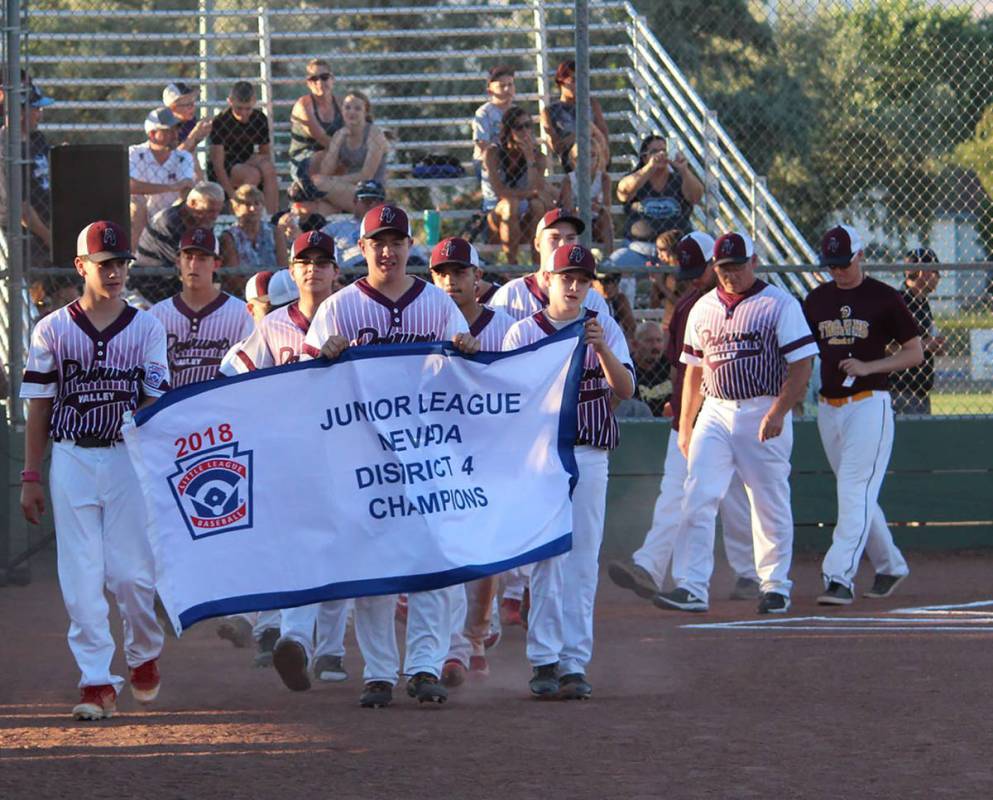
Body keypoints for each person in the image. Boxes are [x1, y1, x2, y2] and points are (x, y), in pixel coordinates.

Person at [301, 203, 481, 708]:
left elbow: (462, 378)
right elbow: (304, 379)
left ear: (409, 248)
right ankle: (379, 670)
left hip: (426, 450)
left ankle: (424, 666)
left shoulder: (436, 304)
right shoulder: (338, 307)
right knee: (373, 560)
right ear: (362, 249)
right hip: (363, 450)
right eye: (377, 242)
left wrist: (466, 353)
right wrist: (322, 355)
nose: (387, 249)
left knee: (430, 559)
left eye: (396, 241)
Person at [19, 220, 169, 719]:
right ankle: (96, 681)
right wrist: (31, 475)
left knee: (131, 576)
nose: (115, 272)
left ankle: (144, 653)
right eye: (104, 264)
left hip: (127, 455)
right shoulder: (53, 328)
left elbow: (154, 399)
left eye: (121, 263)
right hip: (72, 456)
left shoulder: (146, 326)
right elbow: (39, 405)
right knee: (81, 578)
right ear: (81, 266)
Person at [654, 231, 817, 615]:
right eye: (724, 268)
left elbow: (801, 365)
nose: (731, 275)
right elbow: (692, 371)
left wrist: (778, 411)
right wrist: (687, 424)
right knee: (697, 497)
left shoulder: (779, 303)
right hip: (715, 408)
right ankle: (692, 586)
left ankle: (775, 586)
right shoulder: (703, 307)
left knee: (768, 501)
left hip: (762, 406)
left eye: (738, 266)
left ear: (754, 262)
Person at [503, 244, 634, 700]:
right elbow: (507, 401)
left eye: (582, 279)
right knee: (546, 559)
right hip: (541, 459)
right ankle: (544, 659)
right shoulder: (523, 332)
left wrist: (602, 351)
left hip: (591, 452)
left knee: (582, 561)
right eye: (566, 277)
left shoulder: (603, 328)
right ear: (547, 281)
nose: (574, 286)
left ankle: (575, 661)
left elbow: (627, 388)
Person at [220, 231, 351, 687]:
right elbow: (232, 374)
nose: (313, 268)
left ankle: (331, 651)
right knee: (302, 546)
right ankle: (296, 639)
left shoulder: (353, 315)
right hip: (293, 454)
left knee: (343, 552)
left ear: (336, 271)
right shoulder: (274, 326)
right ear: (292, 271)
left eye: (322, 261)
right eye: (304, 261)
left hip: (347, 452)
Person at [608, 234, 761, 606]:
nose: (696, 278)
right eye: (690, 272)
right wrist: (684, 413)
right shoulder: (689, 306)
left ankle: (750, 572)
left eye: (702, 269)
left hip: (733, 414)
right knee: (677, 495)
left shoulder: (750, 303)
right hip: (696, 418)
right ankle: (652, 566)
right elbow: (683, 372)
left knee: (735, 499)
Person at [803, 225, 922, 605]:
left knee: (854, 490)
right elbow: (803, 351)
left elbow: (914, 352)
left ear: (860, 256)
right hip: (828, 408)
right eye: (832, 265)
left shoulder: (884, 298)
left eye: (844, 263)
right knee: (856, 491)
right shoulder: (817, 299)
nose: (838, 271)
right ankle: (890, 564)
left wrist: (871, 366)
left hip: (870, 404)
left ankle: (838, 576)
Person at [427, 237, 515, 686]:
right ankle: (455, 647)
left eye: (460, 272)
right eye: (442, 273)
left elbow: (520, 386)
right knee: (444, 551)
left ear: (478, 278)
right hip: (438, 452)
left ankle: (476, 634)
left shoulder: (506, 327)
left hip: (490, 453)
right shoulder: (424, 321)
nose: (450, 281)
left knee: (487, 556)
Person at [149, 227, 253, 388]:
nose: (194, 265)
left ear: (216, 264)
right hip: (171, 409)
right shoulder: (157, 315)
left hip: (221, 407)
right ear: (178, 261)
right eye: (188, 257)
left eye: (202, 259)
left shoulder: (241, 314)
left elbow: (246, 375)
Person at [489, 208, 612, 321]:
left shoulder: (593, 300)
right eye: (555, 238)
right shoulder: (510, 294)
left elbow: (608, 342)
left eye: (570, 238)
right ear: (537, 244)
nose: (563, 244)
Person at [482, 106, 557, 265]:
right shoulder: (493, 154)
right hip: (497, 217)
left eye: (528, 126)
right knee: (511, 205)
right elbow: (500, 192)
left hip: (525, 221)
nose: (525, 131)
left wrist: (529, 158)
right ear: (509, 130)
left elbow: (536, 188)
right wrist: (529, 193)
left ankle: (538, 266)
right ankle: (511, 266)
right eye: (519, 127)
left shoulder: (538, 158)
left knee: (537, 206)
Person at [307, 91, 389, 214]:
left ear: (365, 113)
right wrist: (337, 142)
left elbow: (366, 175)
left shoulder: (374, 134)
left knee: (317, 182)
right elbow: (325, 171)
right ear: (342, 110)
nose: (351, 112)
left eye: (357, 108)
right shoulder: (339, 134)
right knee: (316, 209)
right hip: (347, 189)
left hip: (370, 191)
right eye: (347, 107)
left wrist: (333, 181)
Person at [0, 81, 54, 263]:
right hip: (25, 233)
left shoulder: (37, 139)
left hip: (48, 223)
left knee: (69, 288)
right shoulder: (5, 148)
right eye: (36, 108)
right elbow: (22, 208)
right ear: (20, 112)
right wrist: (49, 238)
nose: (40, 114)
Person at [128, 106, 196, 245]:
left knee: (186, 204)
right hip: (142, 214)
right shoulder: (135, 152)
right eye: (168, 131)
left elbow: (186, 188)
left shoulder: (184, 157)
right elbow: (130, 186)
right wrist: (172, 187)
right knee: (137, 203)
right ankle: (135, 259)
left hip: (172, 212)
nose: (175, 134)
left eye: (176, 129)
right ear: (152, 134)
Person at [617, 135, 703, 243]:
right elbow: (624, 192)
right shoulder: (636, 180)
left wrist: (684, 170)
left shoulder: (680, 179)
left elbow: (696, 197)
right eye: (654, 152)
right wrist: (650, 167)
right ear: (644, 157)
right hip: (639, 245)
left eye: (664, 151)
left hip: (677, 247)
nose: (661, 154)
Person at [208, 81, 278, 213]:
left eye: (248, 108)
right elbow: (218, 165)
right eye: (239, 108)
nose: (243, 113)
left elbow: (265, 154)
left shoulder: (259, 118)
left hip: (246, 158)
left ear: (254, 102)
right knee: (252, 174)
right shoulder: (221, 121)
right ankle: (242, 213)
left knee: (268, 167)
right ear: (230, 101)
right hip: (226, 165)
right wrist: (231, 196)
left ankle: (271, 217)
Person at [890, 248, 944, 415]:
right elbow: (888, 346)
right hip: (902, 390)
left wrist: (933, 345)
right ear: (924, 273)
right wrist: (927, 345)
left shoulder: (922, 302)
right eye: (936, 272)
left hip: (919, 390)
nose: (938, 278)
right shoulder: (899, 301)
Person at [287, 59, 345, 202]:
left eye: (324, 77)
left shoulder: (342, 103)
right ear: (308, 83)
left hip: (336, 156)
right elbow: (322, 138)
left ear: (332, 79)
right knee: (328, 157)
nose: (319, 82)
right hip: (305, 160)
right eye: (313, 78)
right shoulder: (304, 105)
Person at [135, 181, 225, 270]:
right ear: (193, 203)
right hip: (153, 278)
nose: (215, 216)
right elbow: (181, 263)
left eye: (218, 211)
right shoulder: (168, 221)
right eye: (210, 211)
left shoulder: (204, 221)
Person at [540, 59, 610, 171]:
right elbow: (556, 146)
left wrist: (582, 133)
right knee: (588, 130)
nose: (578, 85)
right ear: (560, 81)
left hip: (597, 153)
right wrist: (581, 133)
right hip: (571, 159)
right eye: (573, 80)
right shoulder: (550, 111)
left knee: (592, 133)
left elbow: (603, 136)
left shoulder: (591, 104)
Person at [558, 133, 614, 253]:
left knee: (605, 217)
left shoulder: (604, 178)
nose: (588, 160)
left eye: (592, 155)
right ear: (574, 160)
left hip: (596, 222)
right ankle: (577, 256)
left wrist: (594, 207)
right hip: (575, 221)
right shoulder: (568, 179)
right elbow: (568, 208)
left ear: (598, 158)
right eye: (582, 156)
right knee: (574, 216)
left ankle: (610, 258)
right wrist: (588, 206)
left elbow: (607, 207)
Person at [320, 179, 386, 268]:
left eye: (377, 200)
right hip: (348, 272)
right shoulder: (336, 227)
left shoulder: (390, 229)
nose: (372, 205)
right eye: (366, 200)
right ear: (355, 201)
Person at [220, 184, 287, 270]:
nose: (253, 208)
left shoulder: (275, 233)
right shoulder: (229, 237)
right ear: (236, 208)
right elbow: (233, 277)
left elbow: (283, 268)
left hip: (273, 282)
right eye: (247, 204)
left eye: (257, 203)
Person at [472, 65, 516, 174]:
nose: (507, 89)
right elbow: (483, 145)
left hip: (514, 160)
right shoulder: (484, 113)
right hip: (489, 162)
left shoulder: (517, 111)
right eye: (502, 86)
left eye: (510, 85)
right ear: (490, 91)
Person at [629, 321, 671, 417]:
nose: (655, 346)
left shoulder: (669, 365)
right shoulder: (628, 368)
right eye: (649, 341)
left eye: (659, 340)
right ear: (635, 344)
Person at [163, 81, 211, 159]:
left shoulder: (189, 121)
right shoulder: (164, 125)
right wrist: (195, 133)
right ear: (173, 108)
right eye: (188, 105)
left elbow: (190, 149)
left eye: (193, 103)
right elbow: (174, 158)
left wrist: (199, 136)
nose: (193, 108)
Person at [592, 269, 636, 340]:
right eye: (602, 281)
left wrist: (618, 302)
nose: (607, 286)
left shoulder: (619, 299)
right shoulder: (591, 301)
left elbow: (631, 327)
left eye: (614, 281)